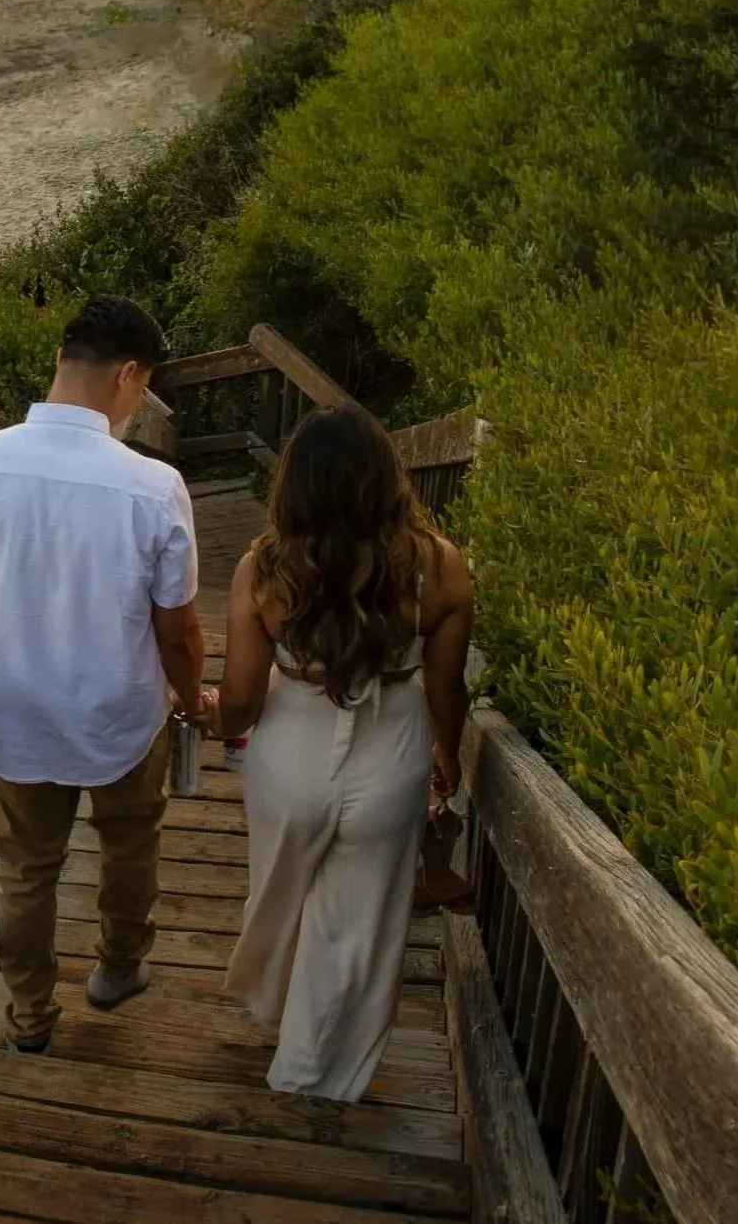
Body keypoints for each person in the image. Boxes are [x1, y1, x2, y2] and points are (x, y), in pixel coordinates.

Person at [0, 295, 206, 1055]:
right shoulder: (153, 486)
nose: (138, 405)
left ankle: (31, 1016)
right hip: (122, 711)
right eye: (143, 389)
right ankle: (117, 968)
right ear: (127, 375)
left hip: (15, 713)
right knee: (130, 843)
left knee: (27, 870)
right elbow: (178, 627)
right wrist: (192, 694)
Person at [204, 403, 473, 1101]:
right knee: (357, 926)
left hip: (289, 750)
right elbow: (447, 689)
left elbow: (239, 700)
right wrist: (450, 753)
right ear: (387, 478)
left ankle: (279, 1006)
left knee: (283, 888)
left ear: (296, 483)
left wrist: (214, 718)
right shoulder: (439, 566)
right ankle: (316, 1071)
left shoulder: (262, 569)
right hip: (393, 752)